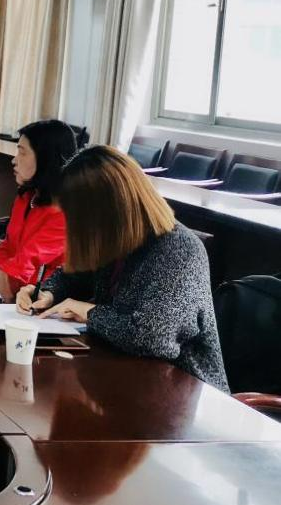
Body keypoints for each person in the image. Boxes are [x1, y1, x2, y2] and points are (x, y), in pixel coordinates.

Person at [18, 145, 229, 391]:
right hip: (123, 373)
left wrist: (89, 312)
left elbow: (154, 338)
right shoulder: (116, 236)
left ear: (111, 209)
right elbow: (76, 275)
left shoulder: (179, 249)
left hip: (182, 391)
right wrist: (48, 293)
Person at [0, 119, 85, 288]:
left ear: (46, 158)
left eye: (22, 153)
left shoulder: (64, 212)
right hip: (10, 284)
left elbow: (27, 262)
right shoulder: (27, 196)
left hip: (38, 295)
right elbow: (7, 248)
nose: (14, 160)